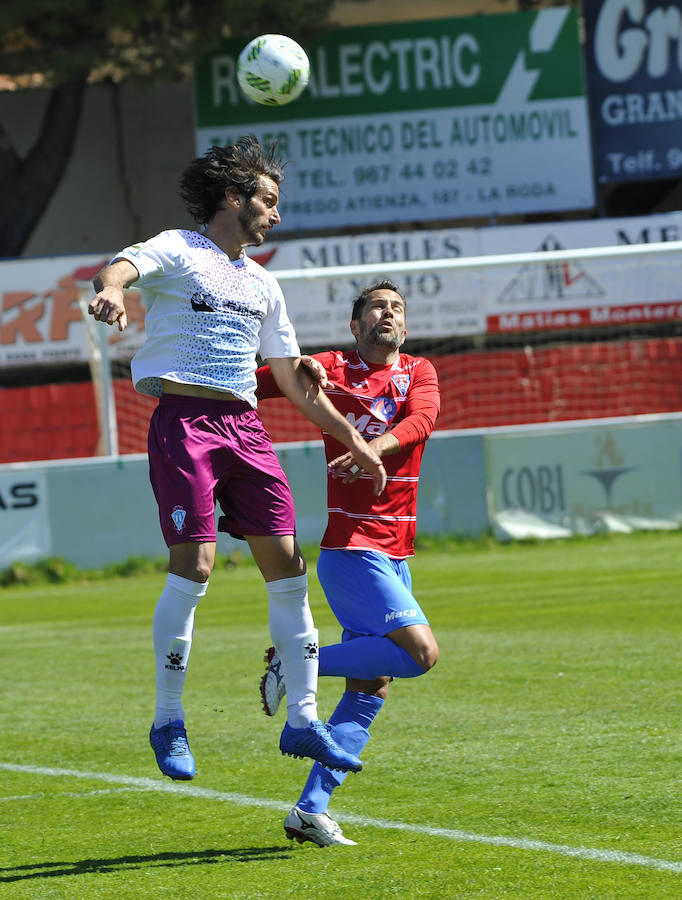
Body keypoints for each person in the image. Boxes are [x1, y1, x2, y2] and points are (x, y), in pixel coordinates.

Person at [87, 135, 387, 782]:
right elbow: (117, 269)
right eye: (267, 201)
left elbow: (289, 377)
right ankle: (168, 719)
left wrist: (356, 441)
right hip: (184, 423)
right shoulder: (179, 248)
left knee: (288, 567)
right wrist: (111, 291)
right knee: (194, 565)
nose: (275, 214)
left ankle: (303, 720)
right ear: (233, 198)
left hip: (245, 428)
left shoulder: (263, 283)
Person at [256, 279, 440, 846]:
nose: (387, 314)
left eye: (396, 308)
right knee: (422, 654)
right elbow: (261, 383)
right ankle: (294, 662)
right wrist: (285, 366)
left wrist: (368, 449)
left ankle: (310, 809)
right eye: (375, 308)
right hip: (354, 548)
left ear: (403, 327)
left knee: (373, 685)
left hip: (397, 553)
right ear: (355, 326)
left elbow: (419, 424)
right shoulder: (330, 367)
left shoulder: (420, 371)